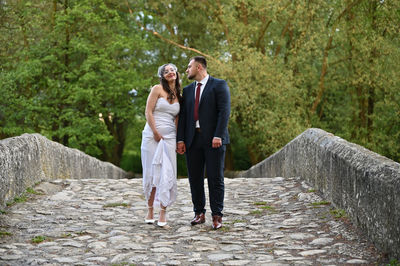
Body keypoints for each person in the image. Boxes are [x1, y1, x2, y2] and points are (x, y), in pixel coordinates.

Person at [177, 56, 230, 230]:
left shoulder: (219, 84)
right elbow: (184, 117)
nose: (187, 70)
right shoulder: (188, 90)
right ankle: (199, 213)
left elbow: (224, 111)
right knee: (195, 179)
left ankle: (217, 216)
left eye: (189, 66)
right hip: (193, 140)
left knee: (215, 178)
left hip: (214, 139)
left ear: (199, 67)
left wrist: (219, 135)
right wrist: (181, 139)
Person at [141, 63, 181, 227]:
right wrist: (155, 132)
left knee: (168, 172)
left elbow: (177, 119)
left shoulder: (179, 94)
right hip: (152, 135)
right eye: (166, 71)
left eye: (172, 70)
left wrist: (178, 140)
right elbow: (148, 112)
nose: (170, 72)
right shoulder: (157, 89)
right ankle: (150, 209)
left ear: (177, 74)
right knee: (152, 172)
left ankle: (163, 211)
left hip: (170, 137)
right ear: (162, 76)